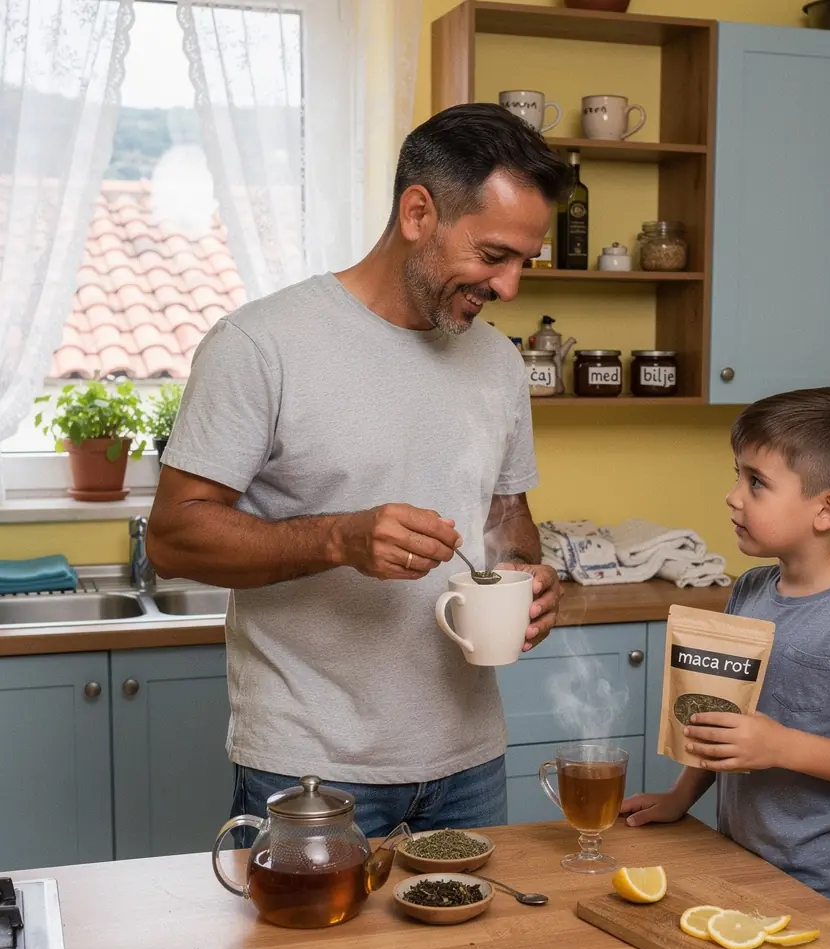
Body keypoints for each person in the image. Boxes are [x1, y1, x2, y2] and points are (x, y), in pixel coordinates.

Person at [146, 103, 572, 837]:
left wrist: (529, 576)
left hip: (470, 763)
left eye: (523, 263)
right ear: (417, 212)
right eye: (493, 255)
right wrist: (340, 540)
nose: (510, 288)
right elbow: (173, 540)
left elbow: (505, 516)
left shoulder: (500, 363)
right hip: (310, 765)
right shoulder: (261, 343)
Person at [621, 386, 830, 926]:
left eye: (756, 483)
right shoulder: (751, 590)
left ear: (827, 510)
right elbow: (727, 724)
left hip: (829, 888)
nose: (733, 496)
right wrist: (681, 796)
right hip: (743, 862)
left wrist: (781, 745)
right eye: (738, 474)